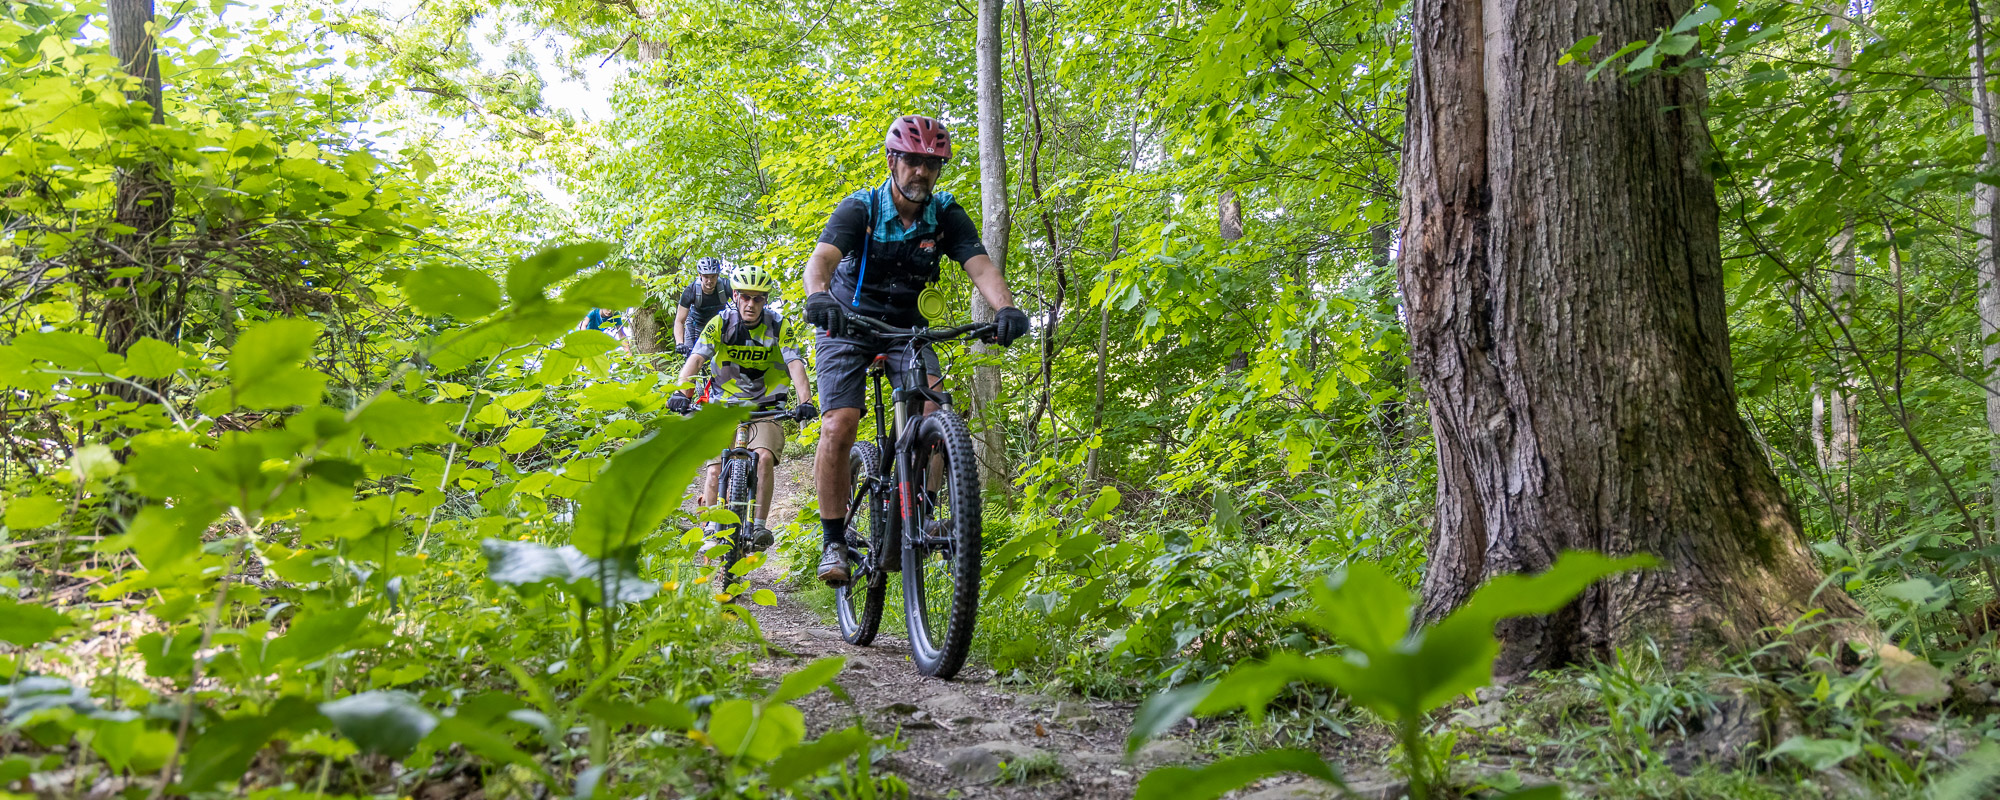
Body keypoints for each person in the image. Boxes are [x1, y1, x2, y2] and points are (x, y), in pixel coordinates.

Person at [800, 114, 1031, 583]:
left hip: (908, 330)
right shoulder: (860, 209)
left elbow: (981, 267)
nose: (921, 171)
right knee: (840, 423)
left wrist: (1006, 308)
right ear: (892, 161)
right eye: (912, 161)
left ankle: (921, 514)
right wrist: (819, 296)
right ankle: (834, 543)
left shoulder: (945, 214)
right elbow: (821, 259)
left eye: (932, 163)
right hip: (847, 323)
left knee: (935, 409)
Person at [666, 265, 819, 551]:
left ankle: (759, 526)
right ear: (735, 296)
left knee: (762, 458)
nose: (751, 304)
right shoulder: (720, 323)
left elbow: (794, 363)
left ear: (765, 300)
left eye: (758, 298)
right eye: (745, 297)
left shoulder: (778, 325)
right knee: (713, 470)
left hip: (767, 407)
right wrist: (681, 393)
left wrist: (805, 401)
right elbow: (696, 359)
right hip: (722, 405)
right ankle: (711, 528)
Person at [674, 257, 732, 355]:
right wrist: (680, 343)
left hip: (718, 325)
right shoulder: (690, 291)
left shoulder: (727, 286)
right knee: (691, 357)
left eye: (713, 276)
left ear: (718, 275)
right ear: (700, 275)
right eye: (706, 277)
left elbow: (741, 306)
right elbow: (679, 321)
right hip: (696, 325)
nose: (709, 281)